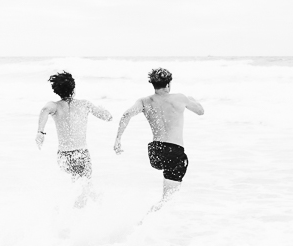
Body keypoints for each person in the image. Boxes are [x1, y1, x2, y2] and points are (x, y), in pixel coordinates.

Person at [114, 68, 204, 211]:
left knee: (167, 193)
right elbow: (200, 111)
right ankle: (146, 223)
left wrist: (118, 139)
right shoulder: (180, 98)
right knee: (168, 200)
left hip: (155, 152)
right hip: (174, 152)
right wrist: (192, 99)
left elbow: (126, 115)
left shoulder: (144, 101)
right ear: (168, 84)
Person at [37, 71, 112, 206]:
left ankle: (69, 209)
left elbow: (44, 110)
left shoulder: (55, 106)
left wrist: (40, 133)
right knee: (84, 186)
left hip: (63, 156)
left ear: (56, 90)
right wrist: (104, 110)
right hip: (81, 155)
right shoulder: (84, 104)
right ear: (74, 88)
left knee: (78, 184)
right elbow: (107, 117)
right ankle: (90, 207)